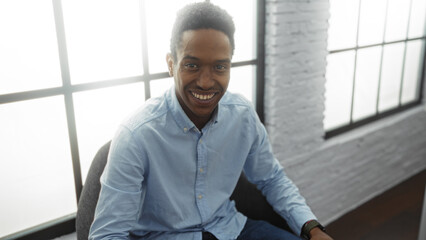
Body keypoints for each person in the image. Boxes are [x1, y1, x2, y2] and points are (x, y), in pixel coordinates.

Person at [89, 2, 333, 240]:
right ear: (171, 64)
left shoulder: (242, 116)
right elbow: (108, 234)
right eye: (192, 65)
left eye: (219, 67)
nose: (206, 82)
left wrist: (312, 228)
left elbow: (271, 178)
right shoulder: (136, 135)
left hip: (230, 229)